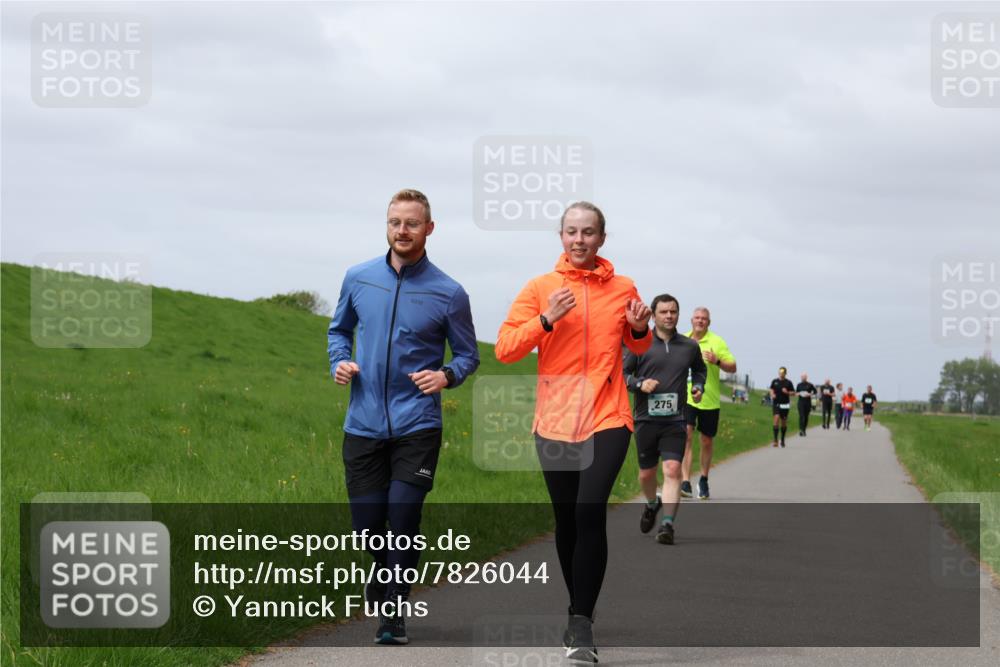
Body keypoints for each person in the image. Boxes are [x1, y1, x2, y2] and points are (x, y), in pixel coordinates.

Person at [495, 201, 651, 663]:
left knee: (588, 510)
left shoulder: (623, 288)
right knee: (566, 521)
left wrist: (640, 327)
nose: (579, 240)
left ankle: (581, 624)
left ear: (602, 239)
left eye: (588, 232)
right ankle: (577, 605)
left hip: (608, 413)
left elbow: (635, 343)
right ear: (560, 237)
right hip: (557, 420)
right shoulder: (541, 288)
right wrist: (546, 319)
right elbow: (505, 348)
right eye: (571, 232)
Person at [327, 189, 480, 645]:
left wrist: (447, 376)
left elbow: (469, 355)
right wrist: (339, 360)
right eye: (395, 222)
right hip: (363, 422)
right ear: (387, 225)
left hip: (418, 424)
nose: (402, 230)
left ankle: (393, 610)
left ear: (429, 229)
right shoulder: (359, 277)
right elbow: (339, 330)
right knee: (368, 524)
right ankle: (382, 574)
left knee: (404, 516)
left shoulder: (449, 292)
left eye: (412, 223)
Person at [623, 294, 707, 545]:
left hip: (676, 420)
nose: (669, 316)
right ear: (653, 314)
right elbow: (623, 374)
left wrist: (699, 386)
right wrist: (640, 383)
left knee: (672, 470)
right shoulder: (639, 344)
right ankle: (651, 504)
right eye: (664, 312)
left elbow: (699, 369)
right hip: (646, 419)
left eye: (673, 312)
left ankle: (667, 525)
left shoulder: (689, 346)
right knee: (646, 475)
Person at [680, 307, 736, 500]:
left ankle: (703, 479)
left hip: (709, 399)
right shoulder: (683, 340)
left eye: (704, 318)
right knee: (686, 435)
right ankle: (685, 481)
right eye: (697, 317)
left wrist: (717, 361)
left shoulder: (716, 342)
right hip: (685, 397)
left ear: (708, 322)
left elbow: (733, 367)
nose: (700, 321)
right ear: (691, 320)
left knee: (706, 440)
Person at [769, 367, 796, 447]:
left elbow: (793, 393)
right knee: (776, 418)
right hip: (776, 403)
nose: (781, 374)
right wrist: (772, 394)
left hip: (785, 404)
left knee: (783, 422)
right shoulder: (775, 381)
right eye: (780, 372)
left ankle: (783, 440)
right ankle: (775, 440)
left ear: (785, 373)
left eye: (782, 372)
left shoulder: (788, 382)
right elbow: (771, 389)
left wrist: (787, 392)